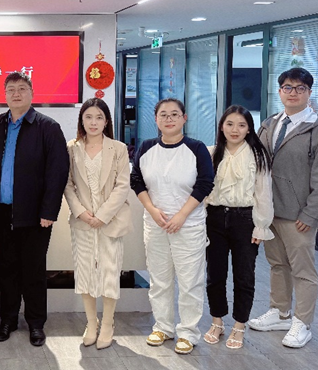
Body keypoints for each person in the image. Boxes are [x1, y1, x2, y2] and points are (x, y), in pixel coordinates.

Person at [249, 68, 318, 348]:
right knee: (277, 265)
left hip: (298, 217)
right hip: (270, 212)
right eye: (287, 87)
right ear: (279, 91)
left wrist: (311, 214)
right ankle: (280, 312)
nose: (293, 93)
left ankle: (302, 322)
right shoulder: (269, 124)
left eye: (300, 88)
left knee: (303, 271)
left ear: (309, 93)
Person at [0, 71, 68, 347]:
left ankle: (35, 323)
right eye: (11, 89)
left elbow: (57, 172)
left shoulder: (48, 127)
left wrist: (49, 211)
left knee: (33, 271)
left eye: (22, 88)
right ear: (5, 95)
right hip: (1, 212)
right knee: (6, 268)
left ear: (32, 93)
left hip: (35, 216)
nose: (16, 94)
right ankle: (7, 320)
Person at [130, 98, 214, 355]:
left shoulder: (196, 149)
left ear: (184, 118)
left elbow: (205, 183)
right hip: (156, 224)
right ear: (156, 119)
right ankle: (163, 327)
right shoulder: (146, 148)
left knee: (190, 281)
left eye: (175, 114)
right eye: (163, 115)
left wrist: (181, 216)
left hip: (188, 225)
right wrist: (152, 210)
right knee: (159, 279)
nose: (169, 119)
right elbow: (136, 181)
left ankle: (188, 332)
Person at [63, 98, 132, 350]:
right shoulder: (72, 148)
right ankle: (91, 323)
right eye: (88, 117)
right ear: (81, 120)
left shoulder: (118, 148)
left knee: (109, 273)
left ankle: (108, 324)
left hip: (110, 221)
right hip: (82, 222)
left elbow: (123, 185)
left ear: (106, 121)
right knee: (85, 273)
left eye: (99, 117)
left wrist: (102, 215)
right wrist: (82, 213)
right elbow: (67, 184)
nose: (93, 122)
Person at [202, 105, 273, 349]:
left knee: (244, 276)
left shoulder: (258, 155)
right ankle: (217, 321)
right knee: (215, 274)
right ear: (222, 126)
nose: (235, 130)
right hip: (214, 219)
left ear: (249, 129)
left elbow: (264, 193)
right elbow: (203, 190)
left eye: (242, 125)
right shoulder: (211, 153)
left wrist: (261, 225)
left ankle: (239, 325)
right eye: (230, 124)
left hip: (245, 220)